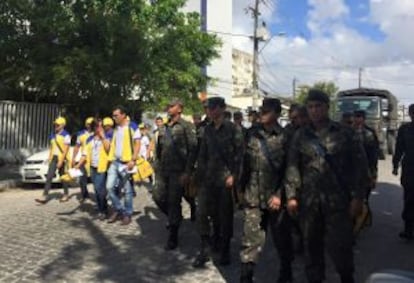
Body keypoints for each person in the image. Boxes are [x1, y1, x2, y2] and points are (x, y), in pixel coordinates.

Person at [284, 89, 368, 283]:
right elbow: (292, 167)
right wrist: (291, 196)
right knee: (311, 251)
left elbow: (360, 168)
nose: (314, 111)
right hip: (309, 204)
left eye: (318, 106)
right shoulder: (300, 135)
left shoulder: (345, 133)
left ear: (327, 107)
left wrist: (358, 198)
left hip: (338, 204)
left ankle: (347, 278)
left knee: (341, 250)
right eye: (311, 107)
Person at [239, 98, 293, 283]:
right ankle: (246, 276)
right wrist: (240, 189)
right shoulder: (251, 134)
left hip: (276, 199)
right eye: (262, 109)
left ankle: (286, 273)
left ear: (277, 114)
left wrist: (280, 195)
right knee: (250, 240)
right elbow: (243, 164)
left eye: (267, 110)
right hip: (253, 196)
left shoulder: (286, 137)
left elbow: (290, 170)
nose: (262, 113)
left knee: (282, 240)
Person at [193, 97, 244, 267]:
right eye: (208, 108)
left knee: (224, 216)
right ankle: (205, 247)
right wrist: (197, 177)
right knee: (202, 213)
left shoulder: (233, 129)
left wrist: (234, 176)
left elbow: (241, 155)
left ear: (222, 109)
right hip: (208, 179)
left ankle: (225, 249)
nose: (210, 111)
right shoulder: (207, 130)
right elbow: (202, 155)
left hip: (225, 180)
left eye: (213, 107)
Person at [152, 98, 197, 250]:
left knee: (173, 201)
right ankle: (175, 217)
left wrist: (187, 172)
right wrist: (156, 165)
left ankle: (173, 235)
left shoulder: (187, 126)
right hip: (163, 171)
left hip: (178, 172)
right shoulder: (163, 127)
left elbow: (193, 150)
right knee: (157, 197)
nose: (168, 108)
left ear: (180, 108)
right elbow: (159, 148)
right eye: (168, 106)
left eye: (172, 106)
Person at [106, 106, 141, 225]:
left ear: (123, 115)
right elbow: (114, 145)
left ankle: (127, 214)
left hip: (126, 163)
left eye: (116, 115)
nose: (114, 118)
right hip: (115, 162)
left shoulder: (133, 126)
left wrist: (133, 159)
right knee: (109, 187)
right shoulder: (116, 128)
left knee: (127, 190)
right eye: (113, 115)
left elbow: (137, 143)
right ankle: (120, 209)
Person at [77, 119, 113, 220]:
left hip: (102, 167)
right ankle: (102, 207)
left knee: (99, 189)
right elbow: (84, 154)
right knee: (97, 190)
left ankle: (103, 211)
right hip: (92, 167)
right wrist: (78, 165)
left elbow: (108, 149)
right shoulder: (89, 139)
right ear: (94, 128)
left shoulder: (107, 137)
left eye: (102, 126)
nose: (101, 128)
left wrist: (103, 137)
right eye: (98, 126)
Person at [35, 117, 72, 204]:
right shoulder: (52, 134)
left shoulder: (66, 135)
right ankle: (44, 196)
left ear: (63, 125)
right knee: (49, 177)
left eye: (58, 124)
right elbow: (52, 147)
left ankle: (66, 194)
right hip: (53, 158)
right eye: (55, 124)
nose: (56, 126)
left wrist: (61, 161)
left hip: (62, 159)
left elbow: (66, 150)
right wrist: (49, 157)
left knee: (63, 177)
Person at [393, 104, 414, 240]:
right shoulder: (405, 129)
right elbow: (399, 148)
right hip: (409, 170)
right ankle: (408, 229)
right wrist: (395, 165)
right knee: (409, 199)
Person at [72, 117, 94, 202]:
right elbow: (77, 147)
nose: (89, 126)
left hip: (94, 159)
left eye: (91, 124)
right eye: (88, 124)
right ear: (86, 124)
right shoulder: (80, 134)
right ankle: (85, 195)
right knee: (82, 178)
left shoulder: (97, 133)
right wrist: (73, 158)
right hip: (84, 159)